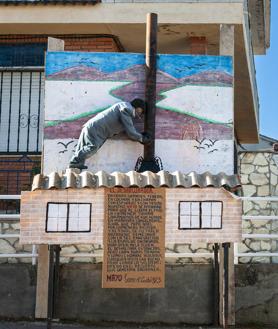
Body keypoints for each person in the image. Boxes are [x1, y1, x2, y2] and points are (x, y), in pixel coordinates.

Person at [69, 98, 151, 170]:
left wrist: (139, 135)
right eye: (141, 111)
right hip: (96, 129)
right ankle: (74, 163)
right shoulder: (127, 109)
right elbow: (131, 132)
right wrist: (142, 138)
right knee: (92, 147)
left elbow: (128, 128)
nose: (140, 115)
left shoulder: (123, 106)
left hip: (92, 127)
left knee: (83, 149)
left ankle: (75, 167)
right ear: (138, 108)